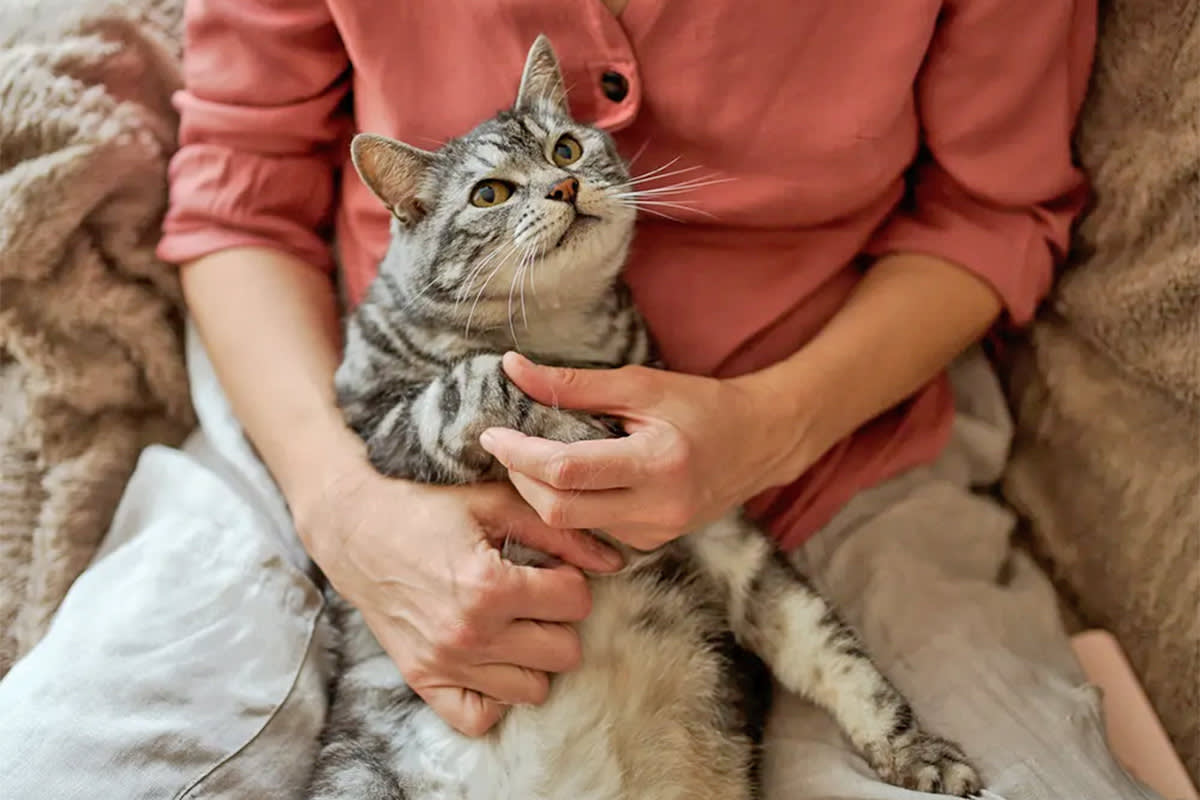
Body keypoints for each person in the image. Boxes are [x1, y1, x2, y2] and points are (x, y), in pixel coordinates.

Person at [0, 1, 1165, 798]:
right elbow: (238, 193)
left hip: (832, 452)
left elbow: (996, 209)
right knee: (65, 762)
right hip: (333, 423)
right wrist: (341, 507)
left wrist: (768, 425)